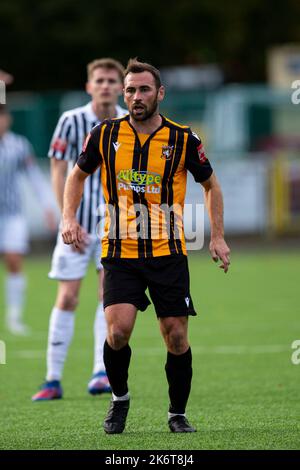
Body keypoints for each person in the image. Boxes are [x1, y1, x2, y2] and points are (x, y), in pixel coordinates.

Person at [61, 59, 230, 433]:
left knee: (176, 334)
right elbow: (76, 176)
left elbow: (211, 185)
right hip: (120, 251)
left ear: (160, 93)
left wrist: (216, 236)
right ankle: (119, 398)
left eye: (144, 90)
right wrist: (68, 218)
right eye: (131, 90)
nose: (136, 97)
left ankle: (176, 413)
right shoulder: (103, 134)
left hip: (168, 253)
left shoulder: (183, 138)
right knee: (117, 332)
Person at [32, 58, 127, 401]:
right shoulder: (71, 121)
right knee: (68, 295)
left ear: (120, 86)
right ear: (89, 86)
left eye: (111, 81)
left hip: (115, 226)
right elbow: (58, 169)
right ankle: (52, 378)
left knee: (108, 299)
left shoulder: (128, 123)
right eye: (99, 80)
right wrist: (66, 216)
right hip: (75, 223)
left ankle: (101, 372)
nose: (105, 86)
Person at [0, 104, 56, 335]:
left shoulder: (19, 145)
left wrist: (48, 206)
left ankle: (14, 317)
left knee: (14, 260)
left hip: (12, 214)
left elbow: (34, 178)